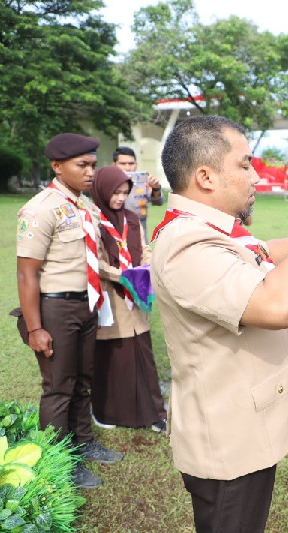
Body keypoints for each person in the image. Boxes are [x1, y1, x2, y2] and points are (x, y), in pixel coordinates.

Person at [150, 115, 288, 532]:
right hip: (227, 446)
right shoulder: (187, 242)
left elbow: (274, 250)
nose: (256, 177)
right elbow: (280, 305)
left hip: (240, 429)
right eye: (245, 165)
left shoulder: (212, 231)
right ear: (206, 176)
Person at [16, 133, 124, 489]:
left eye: (93, 164)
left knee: (82, 382)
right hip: (56, 307)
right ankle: (59, 459)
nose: (91, 172)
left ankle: (82, 442)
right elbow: (27, 273)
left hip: (87, 303)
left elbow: (92, 257)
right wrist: (35, 328)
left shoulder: (83, 206)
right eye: (83, 165)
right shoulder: (40, 208)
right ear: (57, 166)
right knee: (59, 388)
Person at [89, 165, 167, 432]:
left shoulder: (132, 219)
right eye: (115, 193)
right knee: (115, 358)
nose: (120, 198)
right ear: (101, 191)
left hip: (137, 295)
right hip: (111, 298)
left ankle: (154, 412)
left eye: (124, 192)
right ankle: (107, 412)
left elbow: (143, 248)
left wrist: (146, 266)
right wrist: (121, 275)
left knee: (143, 355)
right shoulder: (93, 221)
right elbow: (94, 262)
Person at [113, 146, 164, 239]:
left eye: (131, 163)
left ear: (136, 164)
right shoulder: (108, 184)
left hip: (140, 237)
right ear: (114, 164)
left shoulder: (144, 182)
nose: (127, 168)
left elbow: (158, 202)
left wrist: (156, 188)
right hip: (116, 236)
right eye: (123, 164)